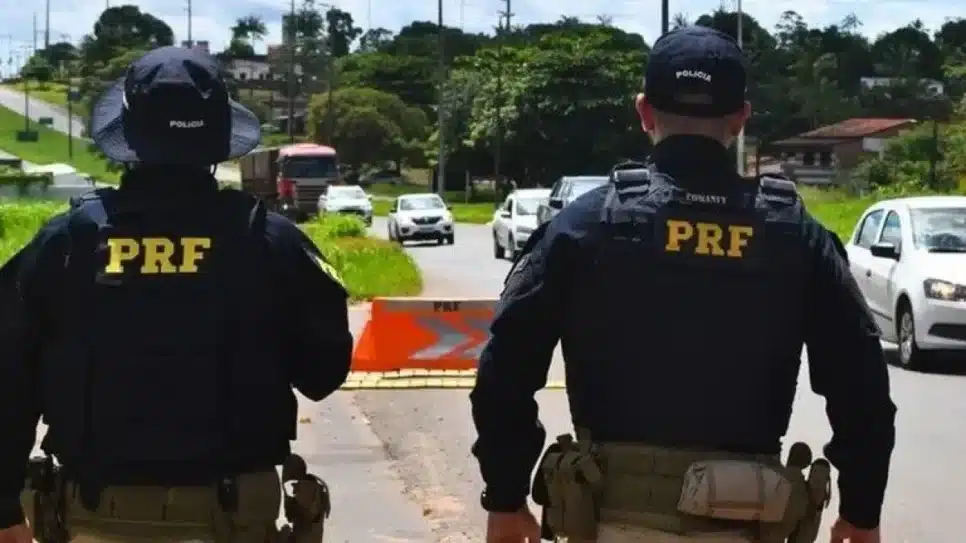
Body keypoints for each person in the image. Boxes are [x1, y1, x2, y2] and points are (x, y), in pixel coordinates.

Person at [470, 26, 895, 543]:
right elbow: (861, 384)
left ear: (644, 112)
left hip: (608, 520)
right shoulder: (796, 235)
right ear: (740, 119)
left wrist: (506, 497)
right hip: (747, 521)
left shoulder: (587, 224)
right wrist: (861, 511)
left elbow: (506, 366)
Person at [0, 45, 352, 543]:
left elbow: (8, 377)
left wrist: (3, 507)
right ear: (219, 137)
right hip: (234, 520)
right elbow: (323, 373)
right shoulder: (271, 242)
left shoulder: (67, 242)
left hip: (94, 518)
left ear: (127, 134)